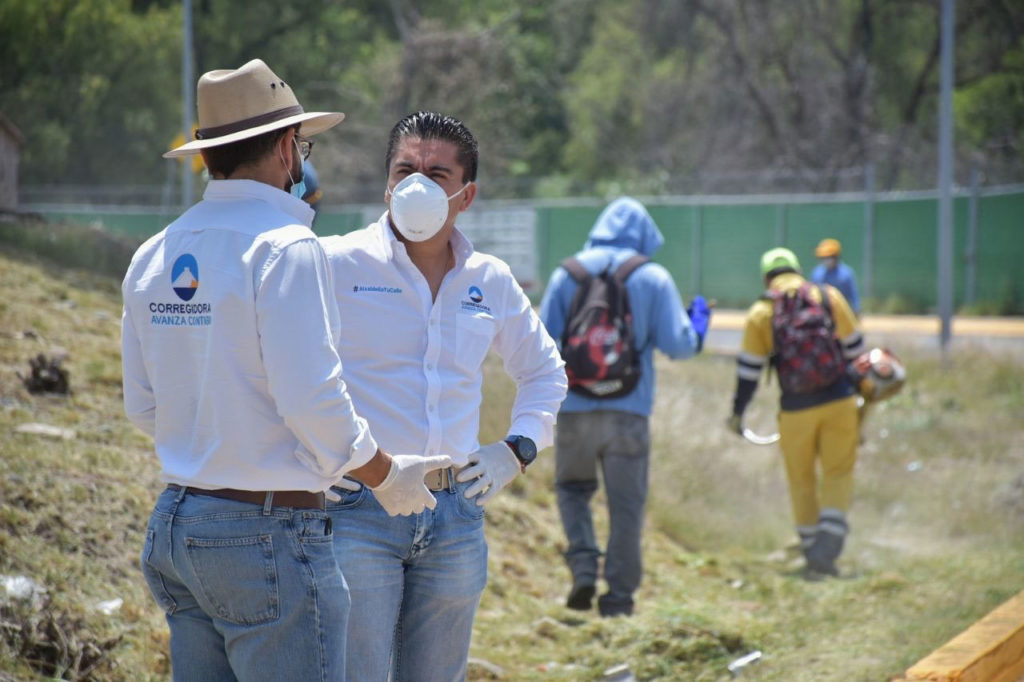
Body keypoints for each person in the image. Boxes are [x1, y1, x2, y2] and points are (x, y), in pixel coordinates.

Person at [122, 59, 443, 680]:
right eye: (301, 144)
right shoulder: (286, 248)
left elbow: (143, 407)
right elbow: (313, 402)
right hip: (265, 533)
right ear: (284, 147)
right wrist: (384, 474)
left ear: (210, 156)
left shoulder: (155, 252)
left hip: (177, 526)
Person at [320, 111, 568, 682]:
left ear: (466, 194)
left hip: (455, 516)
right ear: (386, 183)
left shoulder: (491, 279)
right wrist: (307, 457)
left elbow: (546, 373)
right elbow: (283, 369)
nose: (416, 185)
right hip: (358, 510)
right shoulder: (335, 264)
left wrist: (518, 449)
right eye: (405, 169)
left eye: (436, 173)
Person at [538, 197, 710, 617]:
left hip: (575, 410)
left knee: (573, 491)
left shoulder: (567, 274)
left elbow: (541, 345)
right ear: (644, 235)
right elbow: (679, 345)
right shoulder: (652, 277)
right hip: (629, 413)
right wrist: (698, 323)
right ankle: (618, 599)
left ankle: (582, 566)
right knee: (626, 507)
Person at [727, 247, 865, 578]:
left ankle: (811, 548)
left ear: (766, 277)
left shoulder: (762, 311)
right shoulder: (828, 297)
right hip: (839, 401)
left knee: (800, 479)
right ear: (799, 270)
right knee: (837, 472)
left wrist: (737, 414)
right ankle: (829, 545)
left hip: (795, 410)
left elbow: (749, 371)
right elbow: (857, 351)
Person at [810, 238, 860, 315]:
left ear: (836, 256)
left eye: (828, 257)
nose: (826, 260)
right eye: (823, 258)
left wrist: (856, 311)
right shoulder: (817, 273)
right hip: (822, 313)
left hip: (842, 313)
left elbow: (853, 295)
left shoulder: (846, 274)